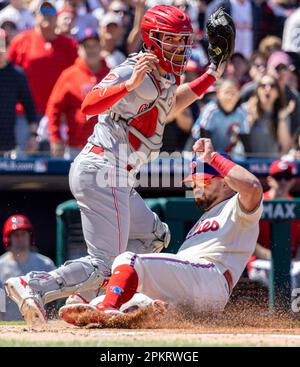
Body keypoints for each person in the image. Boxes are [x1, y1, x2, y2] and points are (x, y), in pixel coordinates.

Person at [5, 5, 232, 324]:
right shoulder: (136, 67)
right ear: (152, 40)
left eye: (182, 41)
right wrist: (128, 83)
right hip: (103, 168)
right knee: (104, 265)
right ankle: (33, 285)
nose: (179, 48)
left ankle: (81, 299)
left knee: (155, 236)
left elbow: (171, 104)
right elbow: (89, 104)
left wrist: (213, 74)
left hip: (116, 175)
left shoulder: (164, 76)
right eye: (172, 40)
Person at [58, 137, 263, 326]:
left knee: (128, 260)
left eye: (204, 182)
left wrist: (213, 158)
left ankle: (107, 306)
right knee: (127, 300)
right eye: (194, 184)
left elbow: (253, 186)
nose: (196, 188)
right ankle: (116, 307)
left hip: (211, 276)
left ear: (226, 182)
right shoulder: (204, 218)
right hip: (193, 296)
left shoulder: (238, 206)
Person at [7, 0, 78, 152]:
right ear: (35, 16)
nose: (47, 16)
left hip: (57, 116)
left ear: (58, 16)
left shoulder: (69, 45)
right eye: (43, 11)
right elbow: (7, 74)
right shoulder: (21, 41)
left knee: (54, 167)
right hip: (24, 115)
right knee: (22, 164)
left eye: (52, 12)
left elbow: (75, 78)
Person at [46, 28, 110, 160]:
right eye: (87, 46)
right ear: (79, 49)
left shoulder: (112, 75)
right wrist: (55, 137)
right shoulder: (69, 75)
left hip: (107, 147)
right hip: (77, 147)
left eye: (94, 46)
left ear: (100, 47)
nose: (91, 50)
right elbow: (54, 108)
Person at [247, 160, 300, 289]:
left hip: (292, 263)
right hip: (260, 263)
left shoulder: (296, 205)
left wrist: (296, 260)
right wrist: (272, 256)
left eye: (287, 177)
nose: (282, 182)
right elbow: (246, 238)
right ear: (270, 180)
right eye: (278, 177)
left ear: (293, 181)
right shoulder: (256, 203)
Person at [0, 214, 56, 321]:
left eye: (23, 234)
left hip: (39, 324)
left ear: (30, 237)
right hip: (7, 324)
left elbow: (55, 297)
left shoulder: (45, 264)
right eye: (16, 235)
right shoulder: (1, 265)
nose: (20, 238)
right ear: (8, 238)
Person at [0, 28, 38, 157]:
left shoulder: (17, 74)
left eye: (2, 45)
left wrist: (33, 135)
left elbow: (29, 107)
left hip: (8, 144)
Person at [192, 78, 248, 157]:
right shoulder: (211, 110)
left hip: (225, 153)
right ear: (218, 93)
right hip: (199, 149)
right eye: (227, 92)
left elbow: (245, 138)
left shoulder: (241, 112)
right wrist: (210, 155)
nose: (230, 96)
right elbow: (203, 135)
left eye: (233, 93)